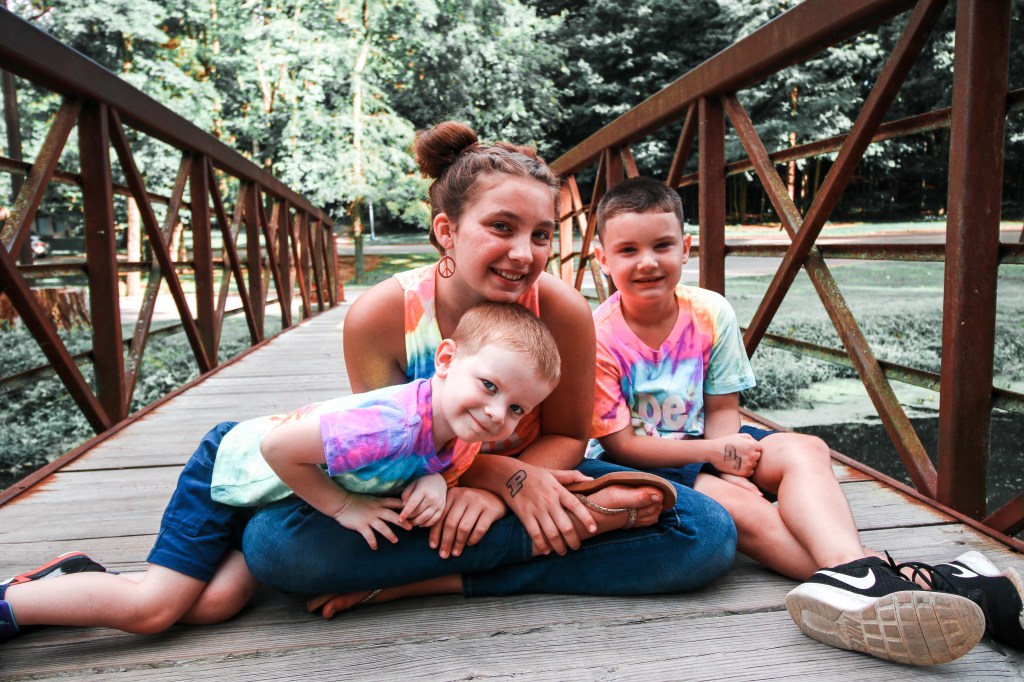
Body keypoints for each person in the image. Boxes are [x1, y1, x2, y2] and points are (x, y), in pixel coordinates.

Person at [241, 121, 738, 619]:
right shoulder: (382, 316)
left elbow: (568, 435)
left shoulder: (562, 311)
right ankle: (549, 541)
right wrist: (491, 481)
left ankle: (433, 581)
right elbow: (389, 452)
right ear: (447, 231)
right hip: (419, 490)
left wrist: (504, 494)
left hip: (539, 468)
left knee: (704, 532)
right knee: (276, 546)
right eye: (501, 227)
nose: (523, 254)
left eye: (540, 235)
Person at [586, 176, 1024, 665]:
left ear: (685, 248)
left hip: (711, 440)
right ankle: (943, 584)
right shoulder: (599, 336)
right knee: (747, 510)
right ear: (602, 258)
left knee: (806, 448)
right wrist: (716, 462)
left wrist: (731, 463)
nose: (647, 262)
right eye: (628, 250)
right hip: (648, 460)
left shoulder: (709, 312)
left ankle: (857, 578)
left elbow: (723, 409)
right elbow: (621, 446)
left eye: (662, 245)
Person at [0, 302, 561, 640]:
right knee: (153, 611)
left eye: (517, 407)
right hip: (230, 471)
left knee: (215, 605)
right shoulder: (386, 424)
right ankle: (13, 603)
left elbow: (442, 462)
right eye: (489, 386)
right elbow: (277, 448)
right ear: (445, 360)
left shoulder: (460, 433)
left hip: (276, 496)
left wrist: (434, 479)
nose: (497, 414)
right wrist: (346, 507)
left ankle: (74, 583)